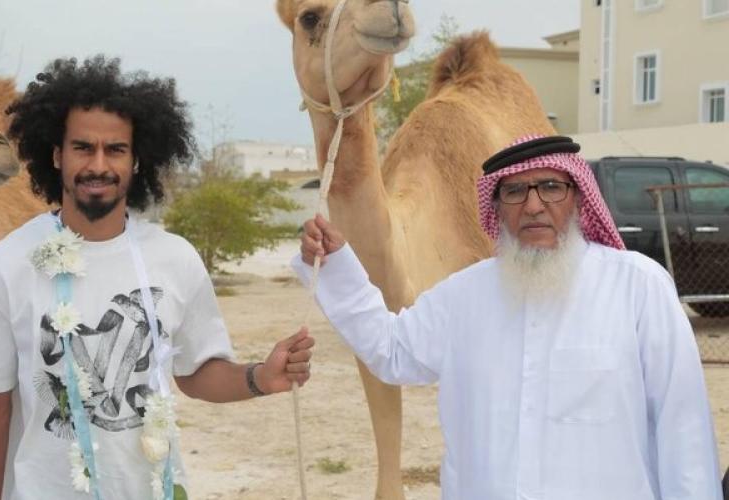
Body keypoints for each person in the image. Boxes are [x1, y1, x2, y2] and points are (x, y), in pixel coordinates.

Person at [0, 56, 314, 500]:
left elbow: (195, 373)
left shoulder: (175, 259)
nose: (98, 165)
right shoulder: (3, 267)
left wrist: (260, 377)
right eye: (83, 147)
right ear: (57, 154)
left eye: (116, 149)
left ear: (137, 160)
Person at [296, 135, 721, 499]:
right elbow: (391, 351)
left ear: (577, 198)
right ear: (497, 208)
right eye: (515, 192)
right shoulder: (465, 294)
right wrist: (334, 265)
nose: (533, 205)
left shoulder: (638, 287)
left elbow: (683, 427)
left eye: (551, 187)